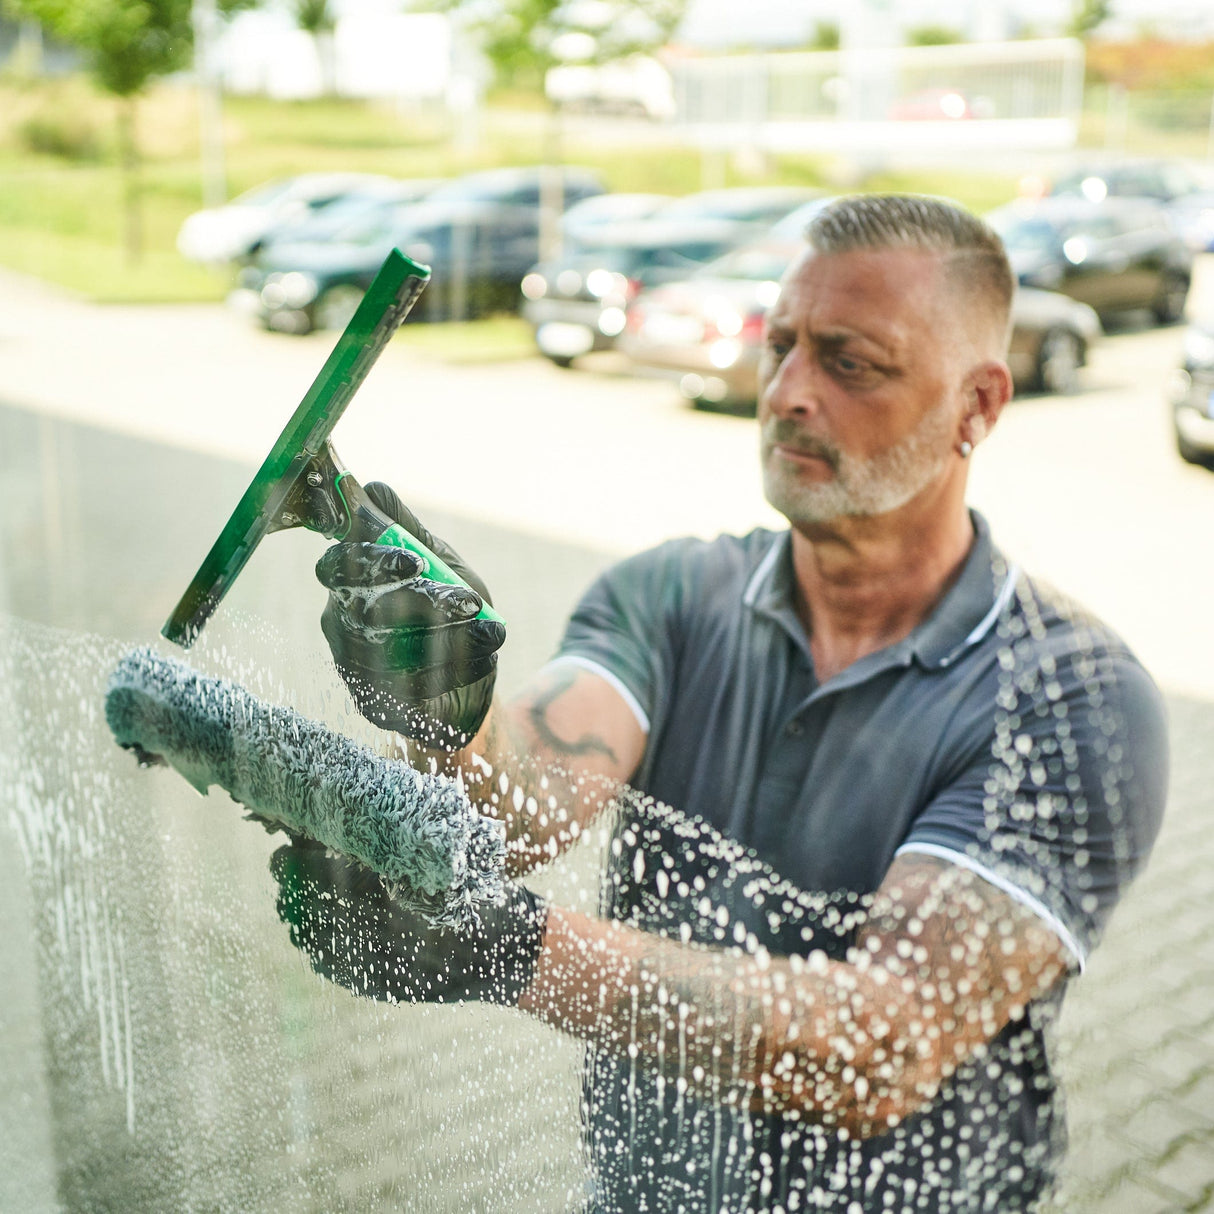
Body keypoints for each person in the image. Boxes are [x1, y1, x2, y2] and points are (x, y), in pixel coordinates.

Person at [274, 194, 1169, 1212]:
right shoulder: (670, 593)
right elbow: (512, 810)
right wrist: (442, 700)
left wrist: (502, 944)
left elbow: (885, 1041)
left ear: (976, 404)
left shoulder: (1071, 702)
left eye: (850, 361)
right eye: (778, 341)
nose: (785, 389)